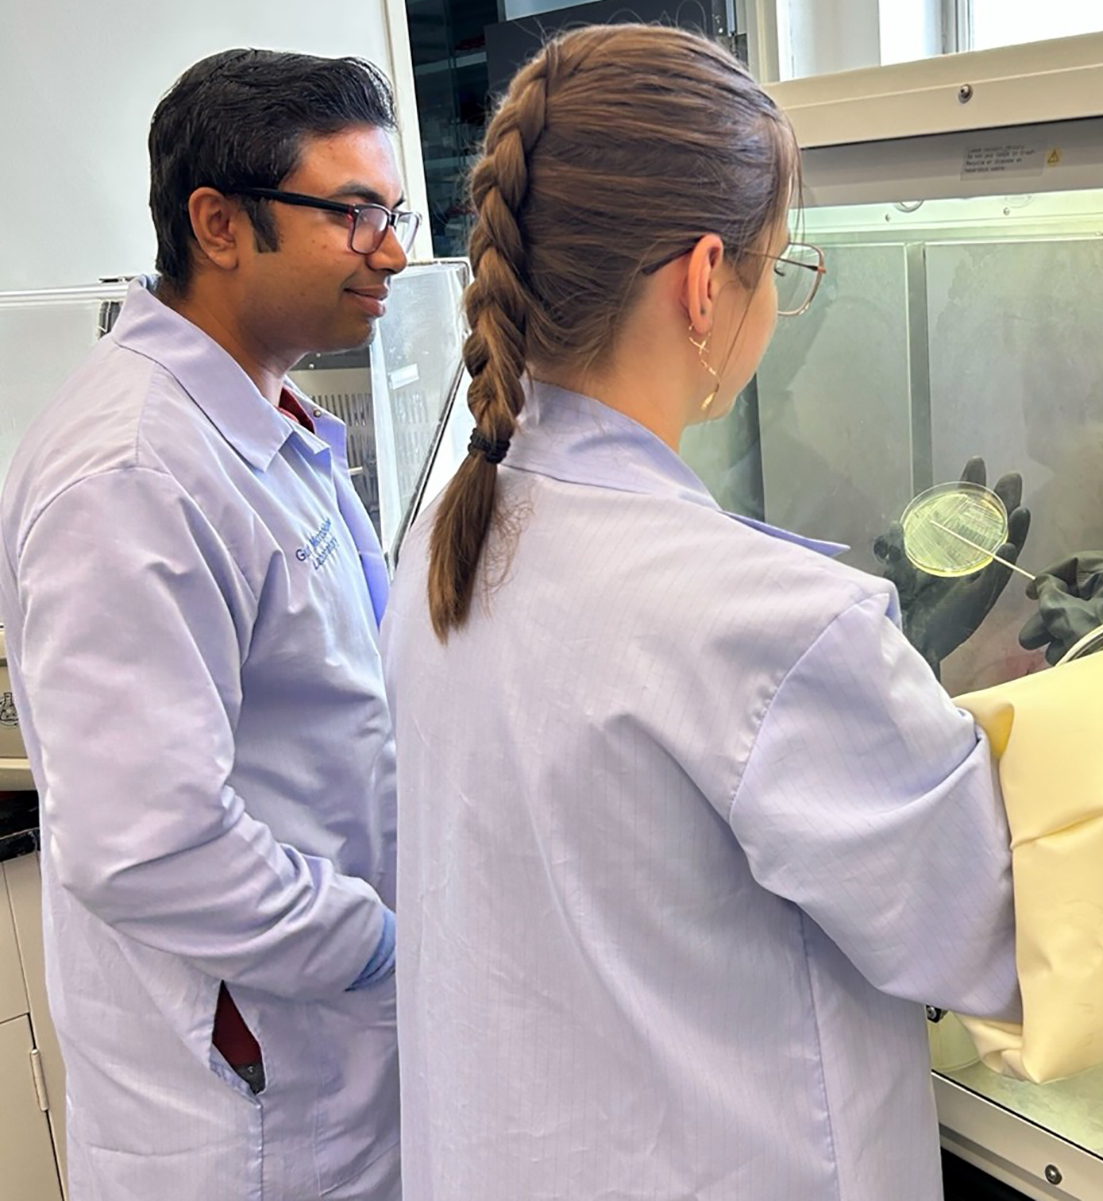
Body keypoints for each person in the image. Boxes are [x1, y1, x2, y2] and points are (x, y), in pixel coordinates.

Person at [383, 25, 1023, 1201]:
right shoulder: (767, 620)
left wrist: (915, 675)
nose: (775, 299)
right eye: (781, 266)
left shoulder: (447, 537)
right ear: (702, 280)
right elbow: (993, 932)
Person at [0, 49, 417, 1201]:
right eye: (352, 212)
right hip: (252, 1112)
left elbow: (333, 700)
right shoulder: (132, 474)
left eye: (392, 210)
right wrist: (388, 946)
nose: (388, 249)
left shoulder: (260, 416)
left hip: (330, 1055)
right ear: (219, 224)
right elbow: (151, 846)